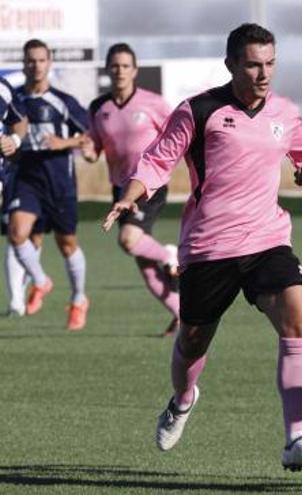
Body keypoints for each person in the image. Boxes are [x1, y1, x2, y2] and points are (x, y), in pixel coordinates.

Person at [102, 23, 302, 471]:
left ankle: (296, 438)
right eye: (253, 64)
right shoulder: (199, 110)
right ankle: (182, 398)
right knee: (192, 342)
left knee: (297, 316)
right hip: (209, 248)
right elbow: (157, 161)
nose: (263, 73)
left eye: (270, 63)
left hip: (267, 240)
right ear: (231, 63)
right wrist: (129, 196)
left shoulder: (285, 114)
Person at [82, 43, 179, 336]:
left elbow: (178, 135)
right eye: (115, 66)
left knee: (128, 239)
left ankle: (171, 256)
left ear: (135, 71)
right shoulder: (99, 108)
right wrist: (88, 152)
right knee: (143, 262)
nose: (120, 71)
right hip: (120, 189)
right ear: (108, 69)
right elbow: (95, 148)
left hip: (150, 185)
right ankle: (182, 314)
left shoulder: (153, 103)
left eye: (125, 66)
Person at [8, 39, 90, 330]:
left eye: (41, 60)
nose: (36, 65)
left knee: (67, 245)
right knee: (17, 234)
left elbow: (90, 136)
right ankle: (41, 282)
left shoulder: (63, 101)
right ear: (24, 63)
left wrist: (63, 142)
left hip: (59, 181)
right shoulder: (13, 99)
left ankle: (79, 299)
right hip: (26, 178)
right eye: (31, 60)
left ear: (49, 63)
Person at [1, 75, 29, 317]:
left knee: (17, 232)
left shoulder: (3, 88)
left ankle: (18, 299)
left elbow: (20, 123)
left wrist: (14, 140)